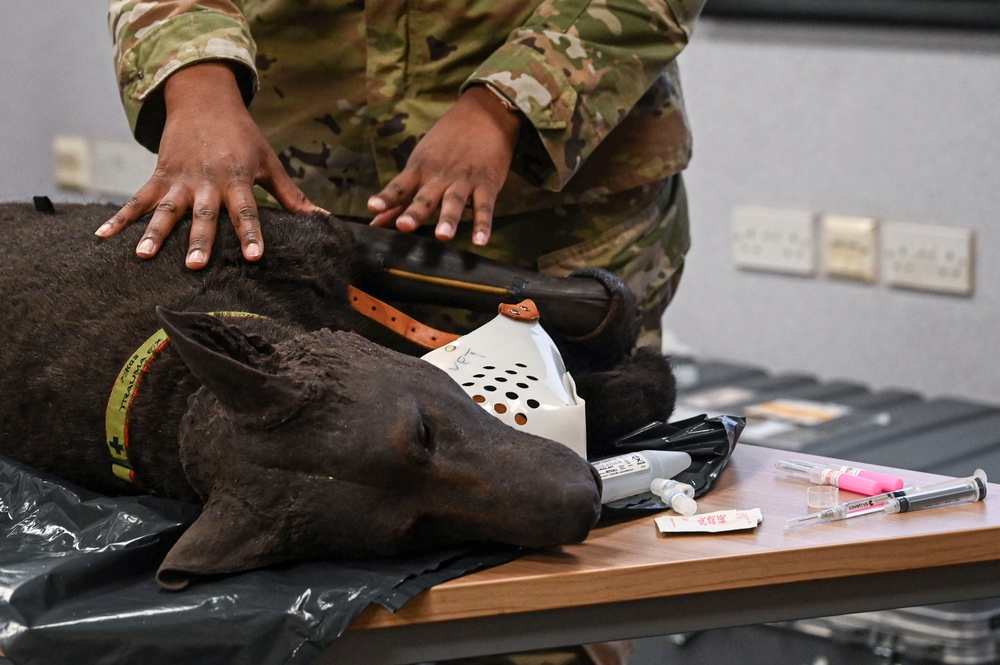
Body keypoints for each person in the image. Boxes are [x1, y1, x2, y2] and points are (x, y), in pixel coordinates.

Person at [103, 0, 705, 349]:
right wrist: (198, 84)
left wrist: (507, 103)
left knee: (576, 488)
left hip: (554, 221)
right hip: (292, 211)